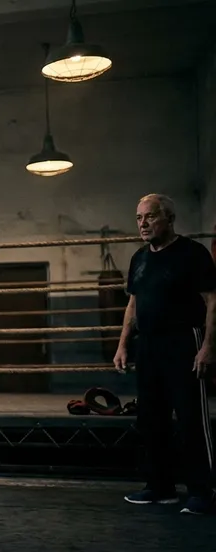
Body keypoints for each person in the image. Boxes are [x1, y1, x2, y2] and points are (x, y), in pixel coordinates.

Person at [114, 193, 216, 515]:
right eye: (139, 218)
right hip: (149, 345)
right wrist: (123, 343)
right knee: (151, 419)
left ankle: (203, 491)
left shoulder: (192, 253)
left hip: (184, 341)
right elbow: (133, 304)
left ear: (169, 218)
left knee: (190, 418)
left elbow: (213, 300)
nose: (143, 224)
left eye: (150, 216)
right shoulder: (139, 258)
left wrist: (208, 346)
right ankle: (160, 487)